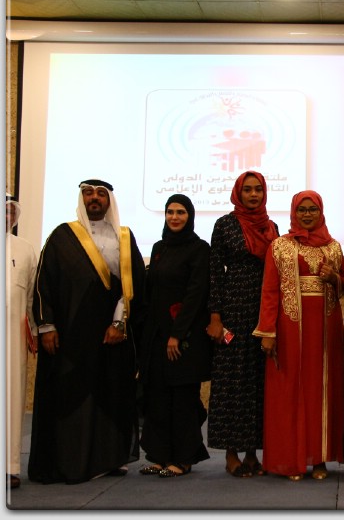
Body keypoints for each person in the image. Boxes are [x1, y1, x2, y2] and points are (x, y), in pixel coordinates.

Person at [29, 179, 146, 484]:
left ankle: (109, 459)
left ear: (109, 201)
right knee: (73, 400)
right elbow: (43, 284)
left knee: (110, 395)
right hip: (70, 337)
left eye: (101, 194)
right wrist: (46, 326)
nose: (95, 198)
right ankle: (72, 462)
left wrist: (119, 324)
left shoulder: (123, 237)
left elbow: (133, 287)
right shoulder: (62, 236)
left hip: (110, 335)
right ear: (82, 199)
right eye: (89, 193)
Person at [253, 190, 344, 481]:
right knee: (290, 392)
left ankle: (318, 459)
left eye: (312, 210)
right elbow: (270, 291)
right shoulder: (279, 246)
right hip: (289, 329)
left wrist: (334, 278)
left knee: (321, 391)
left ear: (321, 212)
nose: (307, 215)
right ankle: (291, 460)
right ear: (294, 212)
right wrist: (267, 331)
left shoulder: (333, 247)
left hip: (325, 332)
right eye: (302, 210)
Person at [206, 170, 278, 478]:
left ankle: (252, 453)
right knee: (231, 381)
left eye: (258, 189)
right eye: (247, 189)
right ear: (238, 193)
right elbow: (214, 271)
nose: (253, 194)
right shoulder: (225, 224)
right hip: (232, 310)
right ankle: (231, 453)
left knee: (258, 382)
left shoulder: (271, 227)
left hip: (263, 311)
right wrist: (215, 316)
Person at [139, 194, 212, 478]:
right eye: (170, 212)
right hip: (157, 338)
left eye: (181, 212)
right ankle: (159, 456)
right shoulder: (159, 247)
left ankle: (183, 459)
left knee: (182, 399)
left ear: (190, 216)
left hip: (185, 339)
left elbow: (195, 295)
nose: (174, 217)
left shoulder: (199, 249)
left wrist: (177, 334)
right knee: (158, 397)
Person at [5, 194, 38, 489]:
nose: (6, 217)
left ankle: (10, 466)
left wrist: (35, 333)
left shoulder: (26, 248)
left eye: (10, 212)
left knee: (12, 400)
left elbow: (30, 299)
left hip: (13, 342)